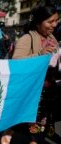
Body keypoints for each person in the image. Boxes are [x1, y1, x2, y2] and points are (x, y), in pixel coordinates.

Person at [5, 4, 60, 144]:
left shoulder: (52, 38)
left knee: (37, 129)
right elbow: (16, 63)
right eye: (50, 21)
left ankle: (11, 135)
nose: (55, 24)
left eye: (56, 20)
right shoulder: (27, 39)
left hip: (48, 95)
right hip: (33, 97)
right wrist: (40, 54)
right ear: (38, 22)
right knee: (34, 133)